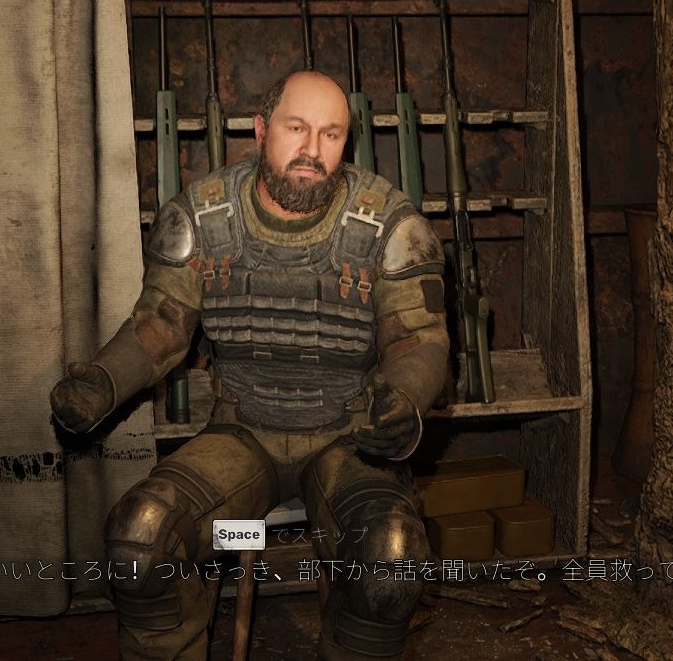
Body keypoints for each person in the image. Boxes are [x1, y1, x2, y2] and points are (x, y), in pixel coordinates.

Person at [50, 69, 449, 660]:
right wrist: (102, 381)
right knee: (141, 539)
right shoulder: (203, 217)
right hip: (240, 445)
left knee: (389, 557)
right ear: (261, 130)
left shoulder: (390, 225)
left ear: (347, 142)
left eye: (331, 134)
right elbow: (161, 326)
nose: (312, 150)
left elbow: (419, 340)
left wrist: (404, 400)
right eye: (296, 128)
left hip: (347, 444)